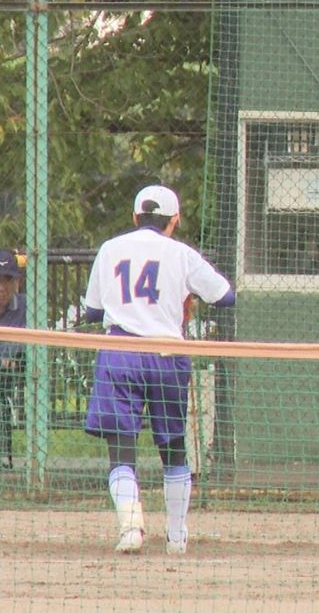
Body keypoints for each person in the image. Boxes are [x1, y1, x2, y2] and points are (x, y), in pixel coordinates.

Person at [83, 185, 235, 555]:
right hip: (168, 353)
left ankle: (130, 528)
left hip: (120, 352)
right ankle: (177, 536)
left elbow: (92, 311)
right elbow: (226, 296)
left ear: (135, 218)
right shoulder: (181, 253)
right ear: (174, 220)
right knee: (173, 445)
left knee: (121, 449)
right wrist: (183, 295)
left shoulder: (109, 249)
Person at [0, 249, 27, 470]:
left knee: (0, 388)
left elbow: (28, 337)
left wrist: (4, 353)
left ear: (17, 282)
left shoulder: (24, 305)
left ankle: (2, 455)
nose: (1, 287)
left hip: (15, 371)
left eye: (8, 280)